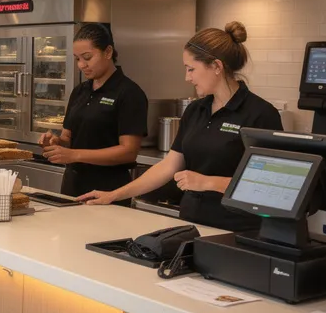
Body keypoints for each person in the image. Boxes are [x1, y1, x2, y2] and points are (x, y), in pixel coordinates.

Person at [77, 22, 283, 232]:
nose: (187, 77)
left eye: (191, 69)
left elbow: (269, 187)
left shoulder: (261, 114)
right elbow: (168, 166)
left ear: (216, 66)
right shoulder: (195, 110)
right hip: (191, 226)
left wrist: (208, 183)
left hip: (236, 232)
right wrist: (113, 195)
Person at [39, 23, 148, 197]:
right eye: (77, 59)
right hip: (72, 184)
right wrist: (56, 143)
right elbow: (68, 137)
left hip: (109, 188)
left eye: (87, 57)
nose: (81, 65)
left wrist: (74, 155)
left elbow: (128, 152)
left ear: (108, 52)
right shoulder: (80, 91)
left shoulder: (129, 93)